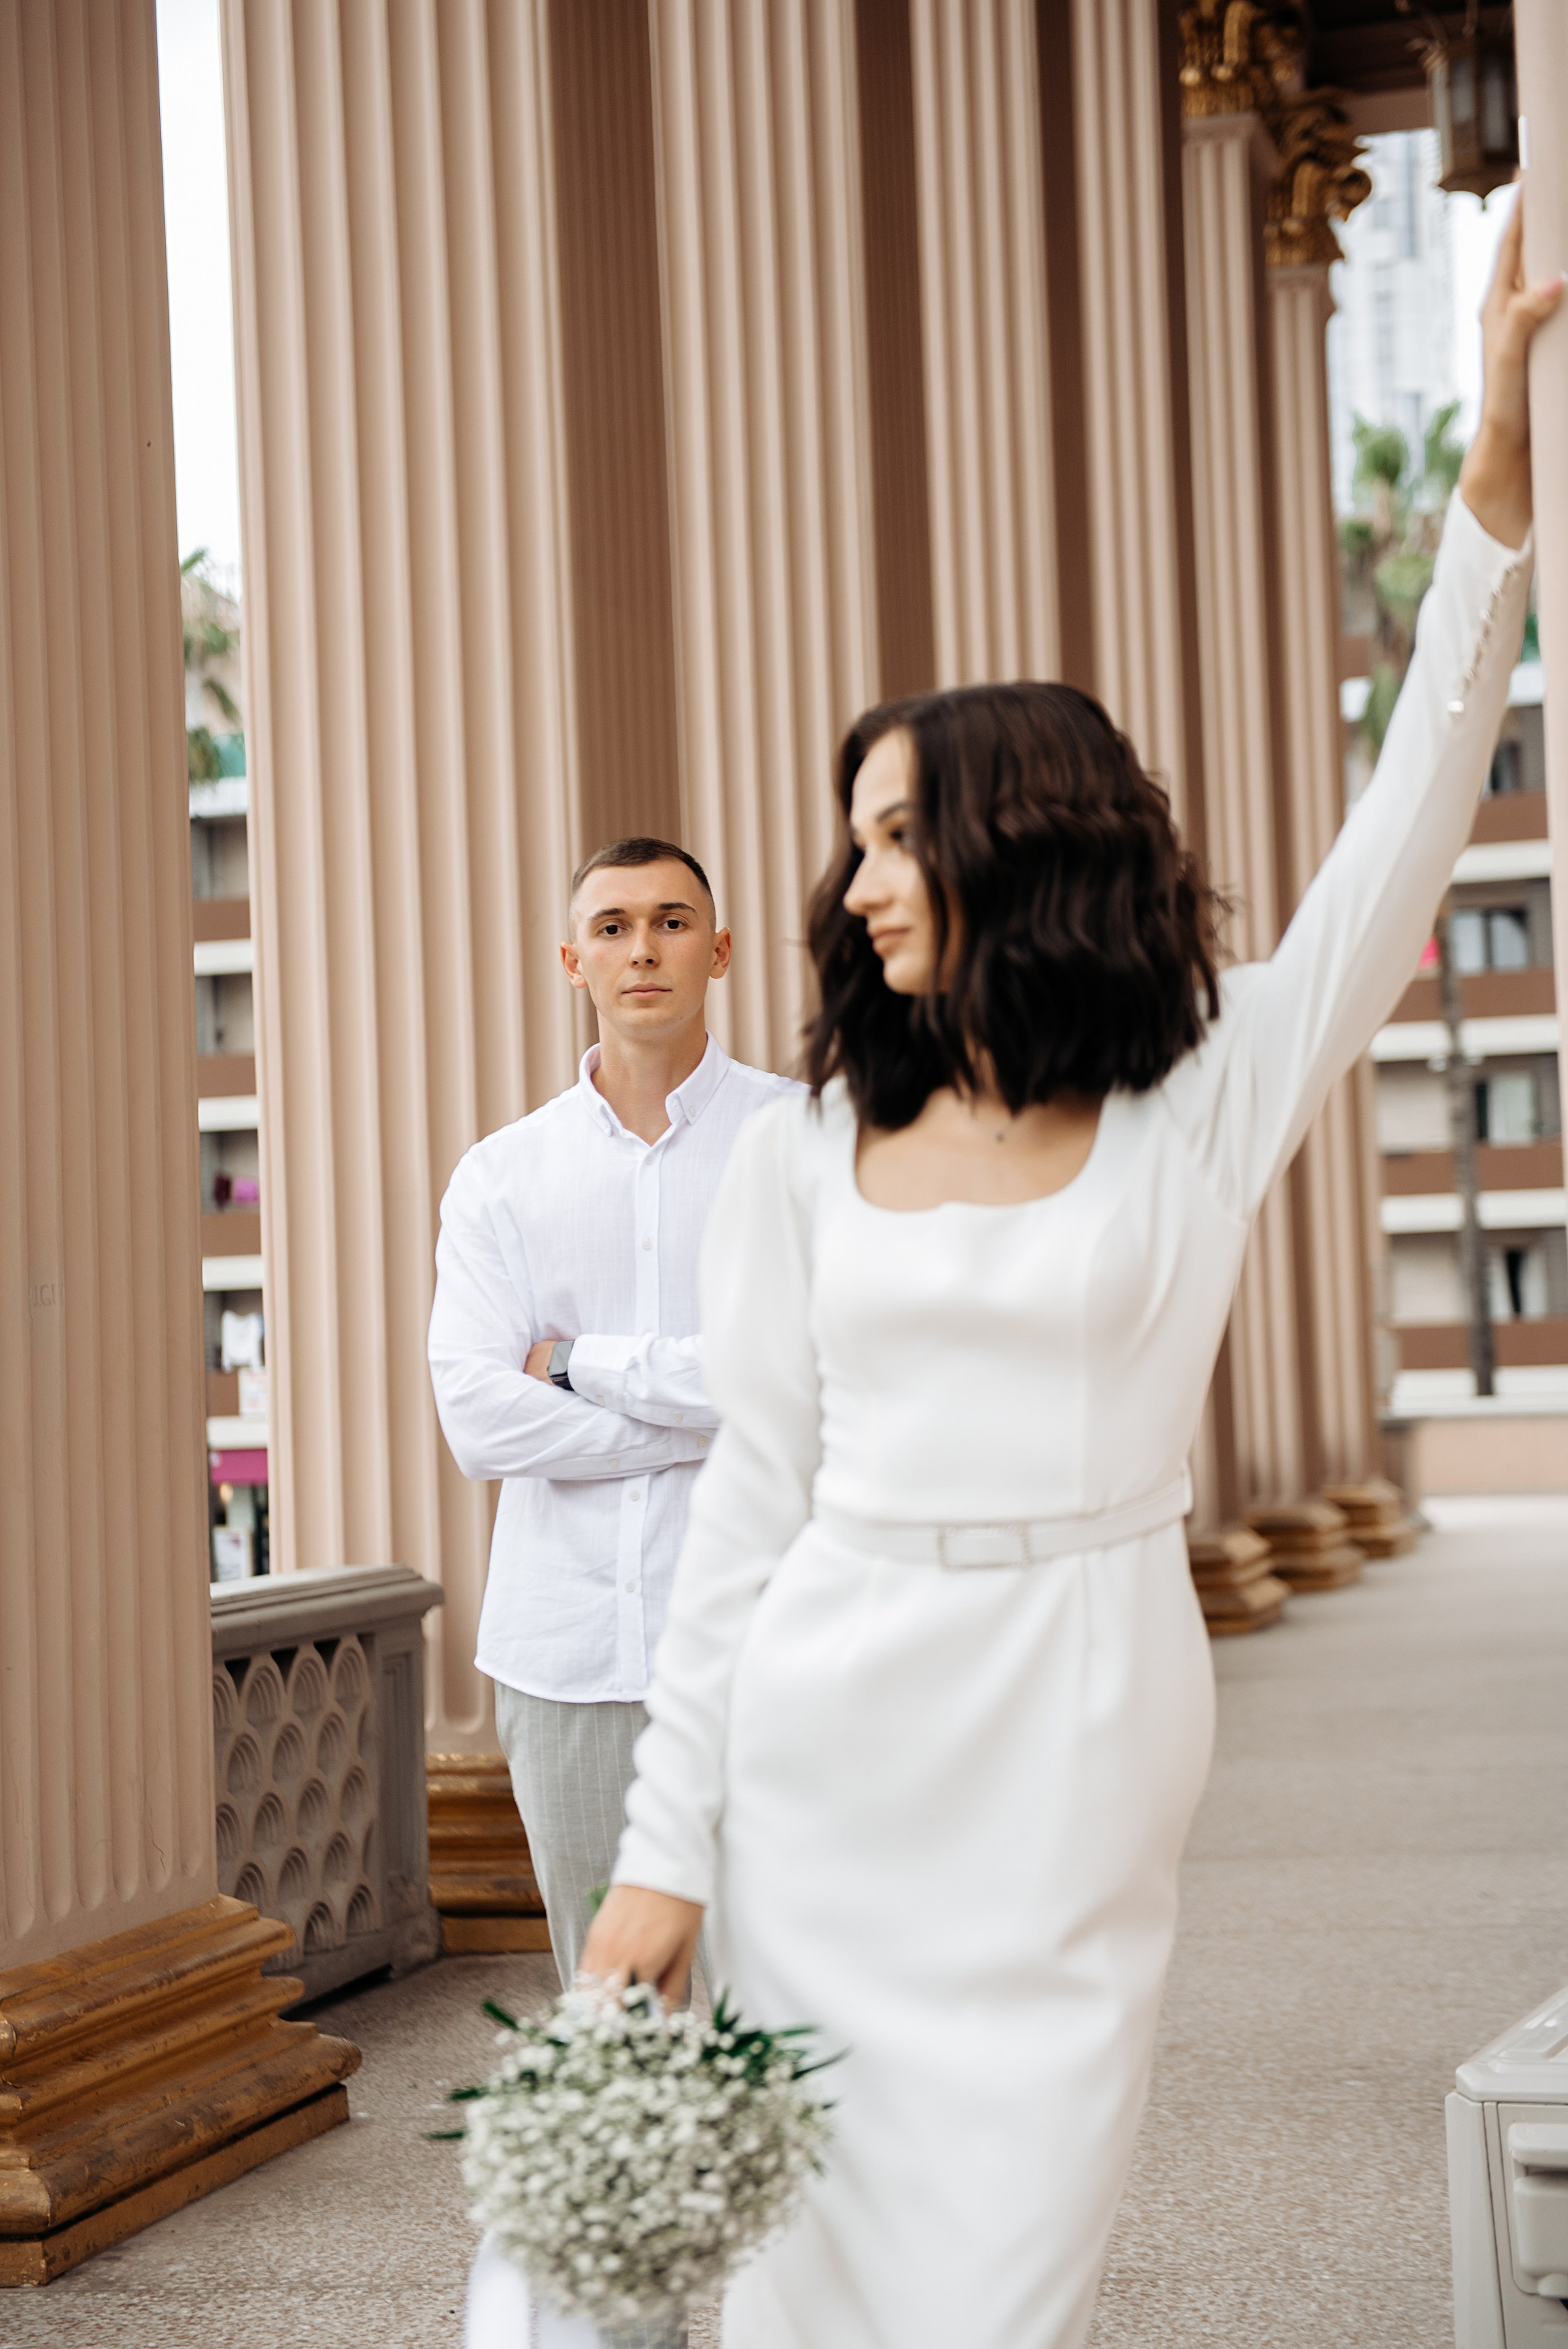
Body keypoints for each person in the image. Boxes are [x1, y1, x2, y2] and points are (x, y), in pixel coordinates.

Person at [578, 206, 1562, 2347]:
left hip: (1085, 1726)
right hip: (828, 1740)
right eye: (854, 837)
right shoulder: (808, 1156)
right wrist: (666, 1854)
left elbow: (1405, 823)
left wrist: (1491, 503)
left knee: (1008, 2262)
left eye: (895, 833)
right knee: (805, 2274)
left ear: (1018, 842)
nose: (857, 880)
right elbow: (748, 1516)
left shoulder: (1203, 1099)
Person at [428, 836, 797, 1998]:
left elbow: (819, 1375)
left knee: (777, 1999)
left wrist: (581, 1364)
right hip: (566, 1653)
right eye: (614, 926)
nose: (644, 948)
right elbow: (480, 1420)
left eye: (672, 922)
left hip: (767, 1642)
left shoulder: (803, 1143)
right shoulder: (502, 1174)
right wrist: (716, 1416)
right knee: (614, 2007)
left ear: (719, 951)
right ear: (572, 960)